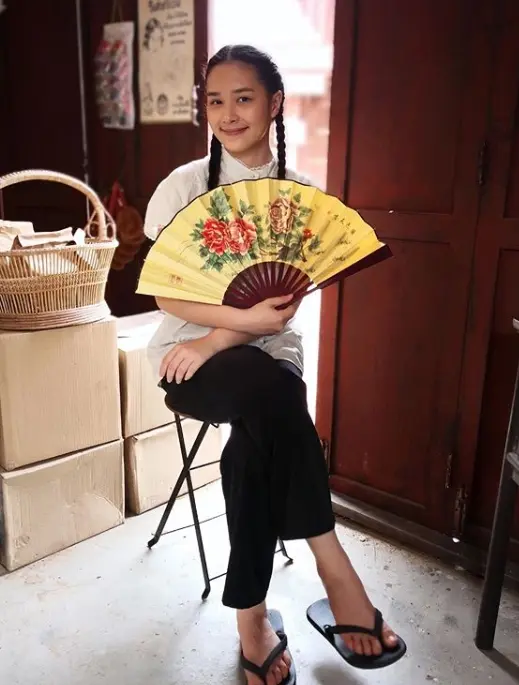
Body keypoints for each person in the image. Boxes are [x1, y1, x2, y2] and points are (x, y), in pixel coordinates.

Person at [144, 44, 405, 685]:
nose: (228, 114)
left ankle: (252, 619)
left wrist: (221, 337)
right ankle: (335, 570)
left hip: (264, 355)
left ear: (275, 103)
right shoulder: (184, 186)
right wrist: (211, 342)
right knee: (274, 402)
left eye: (244, 98)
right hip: (187, 360)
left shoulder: (298, 195)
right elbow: (165, 293)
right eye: (215, 101)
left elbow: (279, 311)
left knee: (254, 440)